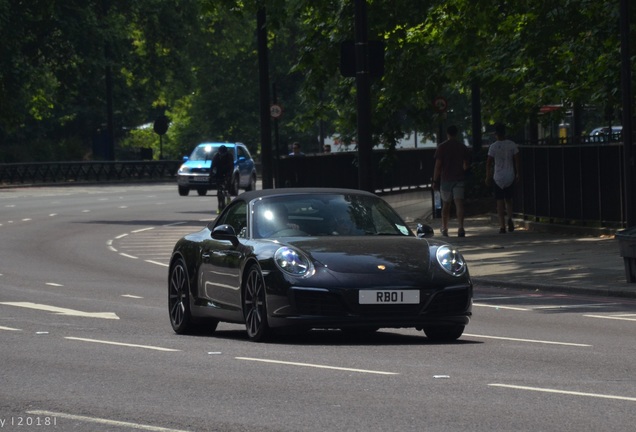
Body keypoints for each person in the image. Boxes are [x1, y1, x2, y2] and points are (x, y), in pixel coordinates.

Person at [432, 125, 471, 237]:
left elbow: (438, 166)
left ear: (447, 133)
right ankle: (461, 227)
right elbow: (466, 165)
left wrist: (435, 180)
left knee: (446, 204)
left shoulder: (442, 147)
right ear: (456, 133)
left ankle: (444, 228)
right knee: (459, 203)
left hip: (446, 179)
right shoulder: (462, 147)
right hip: (459, 178)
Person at [485, 123, 521, 233]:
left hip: (498, 177)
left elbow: (489, 163)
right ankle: (510, 218)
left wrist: (488, 176)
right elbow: (517, 160)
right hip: (510, 175)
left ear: (496, 135)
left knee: (499, 202)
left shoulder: (493, 146)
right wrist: (518, 173)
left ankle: (502, 225)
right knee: (509, 200)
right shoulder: (512, 145)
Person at [211, 145, 234, 213]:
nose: (222, 155)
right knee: (219, 191)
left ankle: (228, 195)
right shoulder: (216, 156)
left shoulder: (229, 156)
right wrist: (211, 175)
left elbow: (231, 167)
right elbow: (213, 166)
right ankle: (219, 206)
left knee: (227, 186)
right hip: (219, 172)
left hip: (227, 171)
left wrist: (228, 176)